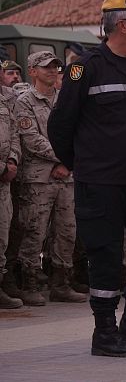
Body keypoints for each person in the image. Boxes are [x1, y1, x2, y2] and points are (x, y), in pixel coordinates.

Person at [48, 0, 126, 357]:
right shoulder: (86, 67)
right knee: (105, 255)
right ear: (121, 24)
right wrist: (81, 164)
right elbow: (60, 124)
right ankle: (104, 332)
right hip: (99, 181)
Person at [16, 51, 86, 305]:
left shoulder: (65, 99)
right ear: (32, 71)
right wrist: (61, 159)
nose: (52, 71)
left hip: (66, 176)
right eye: (45, 67)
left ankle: (61, 283)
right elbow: (31, 139)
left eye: (55, 67)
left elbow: (78, 131)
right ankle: (30, 283)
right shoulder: (24, 101)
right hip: (39, 178)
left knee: (67, 230)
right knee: (35, 231)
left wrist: (66, 163)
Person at [0, 63, 20, 309]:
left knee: (2, 235)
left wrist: (13, 160)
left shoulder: (5, 99)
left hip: (5, 179)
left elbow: (15, 131)